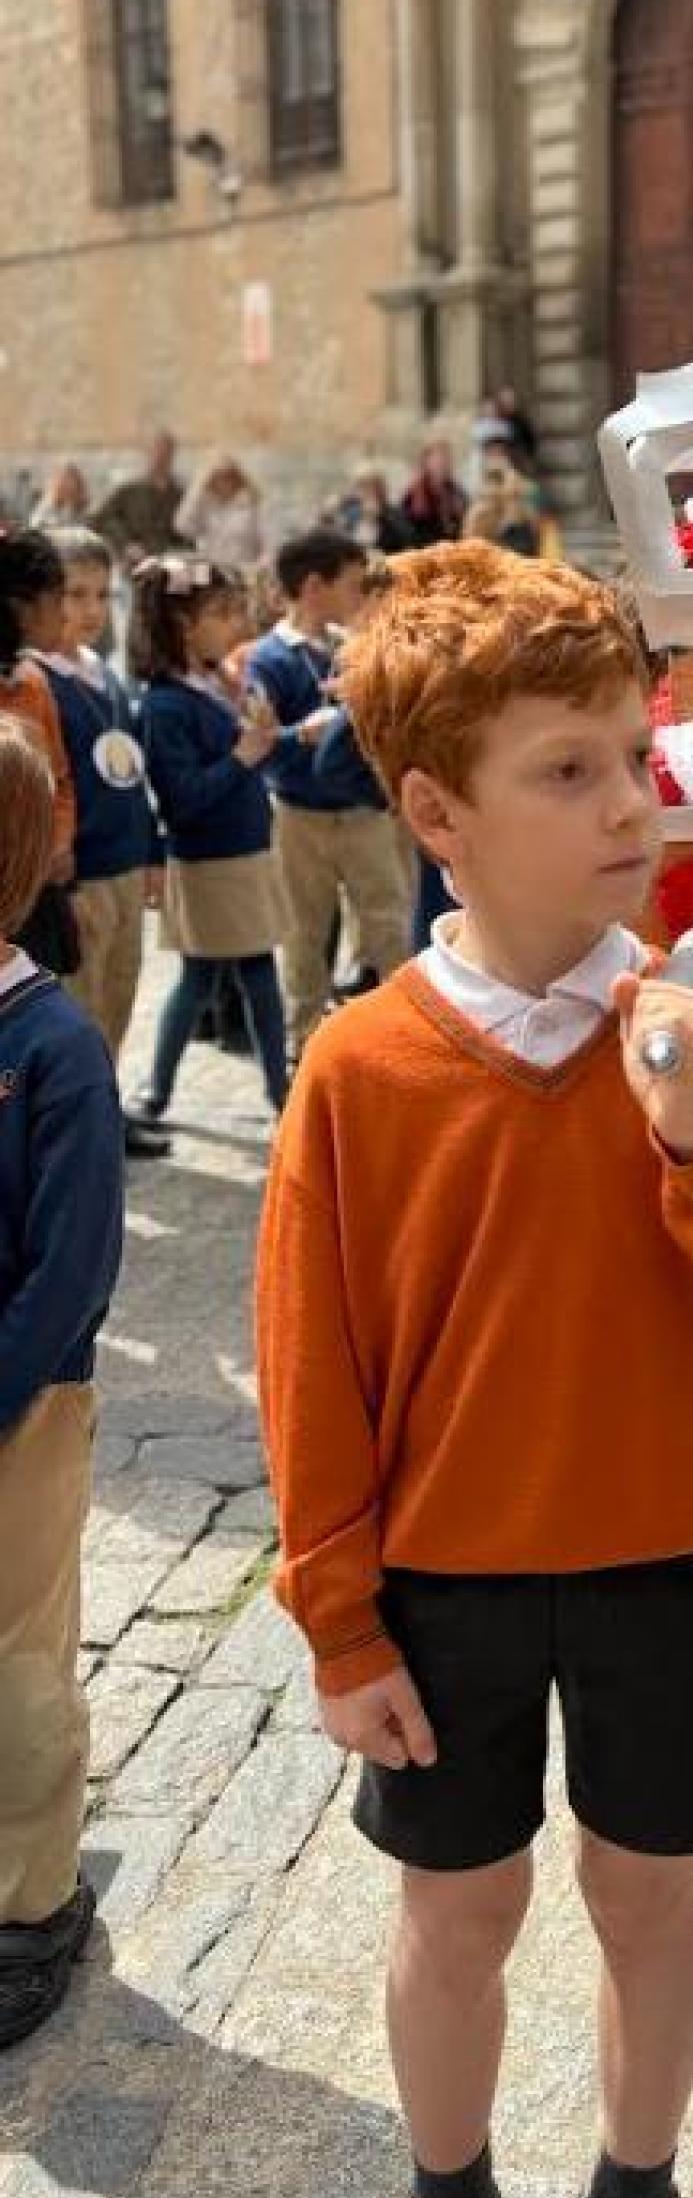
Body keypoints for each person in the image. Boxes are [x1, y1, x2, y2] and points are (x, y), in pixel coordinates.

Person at [254, 541, 693, 2198]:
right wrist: (341, 1623)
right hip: (446, 1580)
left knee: (648, 1893)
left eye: (636, 757)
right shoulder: (362, 1066)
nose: (630, 807)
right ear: (439, 816)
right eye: (568, 772)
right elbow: (313, 1367)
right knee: (457, 1911)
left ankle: (635, 2191)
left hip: (670, 1556)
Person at [0, 716, 126, 2051]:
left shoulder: (50, 1047)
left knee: (16, 1662)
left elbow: (72, 1265)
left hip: (21, 1405)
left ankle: (33, 1900)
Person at [127, 555, 289, 1122]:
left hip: (244, 850)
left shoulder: (215, 682)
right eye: (221, 613)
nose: (235, 623)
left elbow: (246, 750)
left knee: (246, 974)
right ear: (182, 626)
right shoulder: (166, 704)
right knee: (206, 978)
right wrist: (242, 756)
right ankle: (165, 1089)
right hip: (210, 860)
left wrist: (261, 731)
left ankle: (266, 1089)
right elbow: (184, 799)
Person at [34, 529, 169, 1158]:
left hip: (123, 863)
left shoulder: (110, 681)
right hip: (80, 872)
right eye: (72, 595)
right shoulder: (38, 684)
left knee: (120, 997)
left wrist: (151, 855)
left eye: (100, 596)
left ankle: (105, 1108)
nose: (89, 610)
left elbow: (131, 775)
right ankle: (70, 1129)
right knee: (79, 1007)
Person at [245, 528, 407, 1056]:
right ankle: (305, 1043)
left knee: (388, 926)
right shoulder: (268, 658)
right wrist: (304, 733)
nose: (361, 595)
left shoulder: (349, 649)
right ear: (315, 587)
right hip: (299, 817)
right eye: (353, 584)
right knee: (303, 934)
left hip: (362, 814)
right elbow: (261, 744)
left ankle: (402, 1034)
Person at [0, 530, 79, 977]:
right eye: (58, 597)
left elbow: (61, 777)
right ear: (21, 607)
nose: (65, 614)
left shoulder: (33, 684)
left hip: (40, 891)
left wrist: (58, 841)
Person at [91, 430, 185, 568]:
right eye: (156, 450)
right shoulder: (129, 489)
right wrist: (126, 543)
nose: (160, 456)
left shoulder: (180, 494)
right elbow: (100, 519)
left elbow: (187, 532)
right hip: (134, 563)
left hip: (170, 563)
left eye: (166, 452)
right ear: (148, 453)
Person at [174, 454, 266, 576]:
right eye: (219, 477)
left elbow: (267, 545)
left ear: (238, 478)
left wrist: (258, 571)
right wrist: (198, 487)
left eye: (229, 476)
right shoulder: (205, 505)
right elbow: (182, 526)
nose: (224, 482)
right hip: (211, 575)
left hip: (245, 573)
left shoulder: (253, 506)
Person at [335, 462, 415, 556]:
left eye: (372, 487)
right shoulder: (351, 514)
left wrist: (381, 517)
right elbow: (343, 540)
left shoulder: (393, 513)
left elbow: (405, 540)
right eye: (362, 487)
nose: (367, 492)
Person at [402, 440, 469, 547]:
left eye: (446, 458)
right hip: (424, 550)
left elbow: (463, 521)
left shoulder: (456, 492)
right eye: (437, 458)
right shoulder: (415, 492)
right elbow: (407, 526)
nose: (442, 462)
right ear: (426, 461)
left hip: (452, 550)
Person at [29, 462, 91, 533]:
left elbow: (81, 527)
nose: (68, 487)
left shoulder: (77, 506)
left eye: (72, 485)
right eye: (65, 484)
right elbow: (35, 525)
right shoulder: (49, 502)